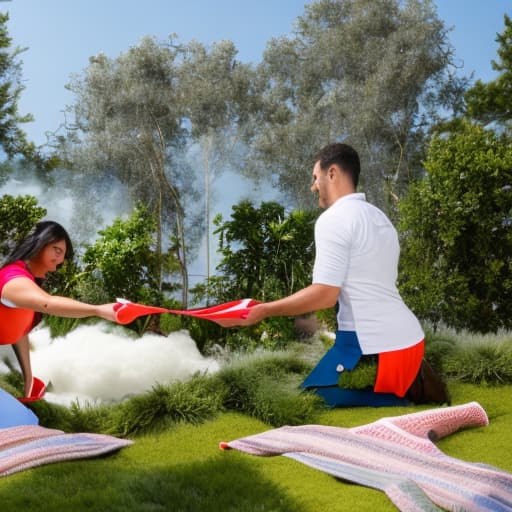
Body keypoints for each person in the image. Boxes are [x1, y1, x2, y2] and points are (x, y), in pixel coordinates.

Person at [215, 143, 448, 407]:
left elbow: (325, 295)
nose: (313, 186)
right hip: (409, 340)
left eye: (316, 177)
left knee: (314, 398)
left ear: (333, 173)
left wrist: (264, 310)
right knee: (314, 388)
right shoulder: (379, 218)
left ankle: (403, 398)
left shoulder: (333, 219)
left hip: (373, 344)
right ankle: (411, 381)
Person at [0, 220, 117, 401]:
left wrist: (29, 378)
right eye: (57, 250)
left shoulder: (27, 286)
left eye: (63, 254)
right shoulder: (13, 279)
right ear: (40, 244)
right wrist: (98, 310)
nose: (61, 259)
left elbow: (18, 332)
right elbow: (48, 303)